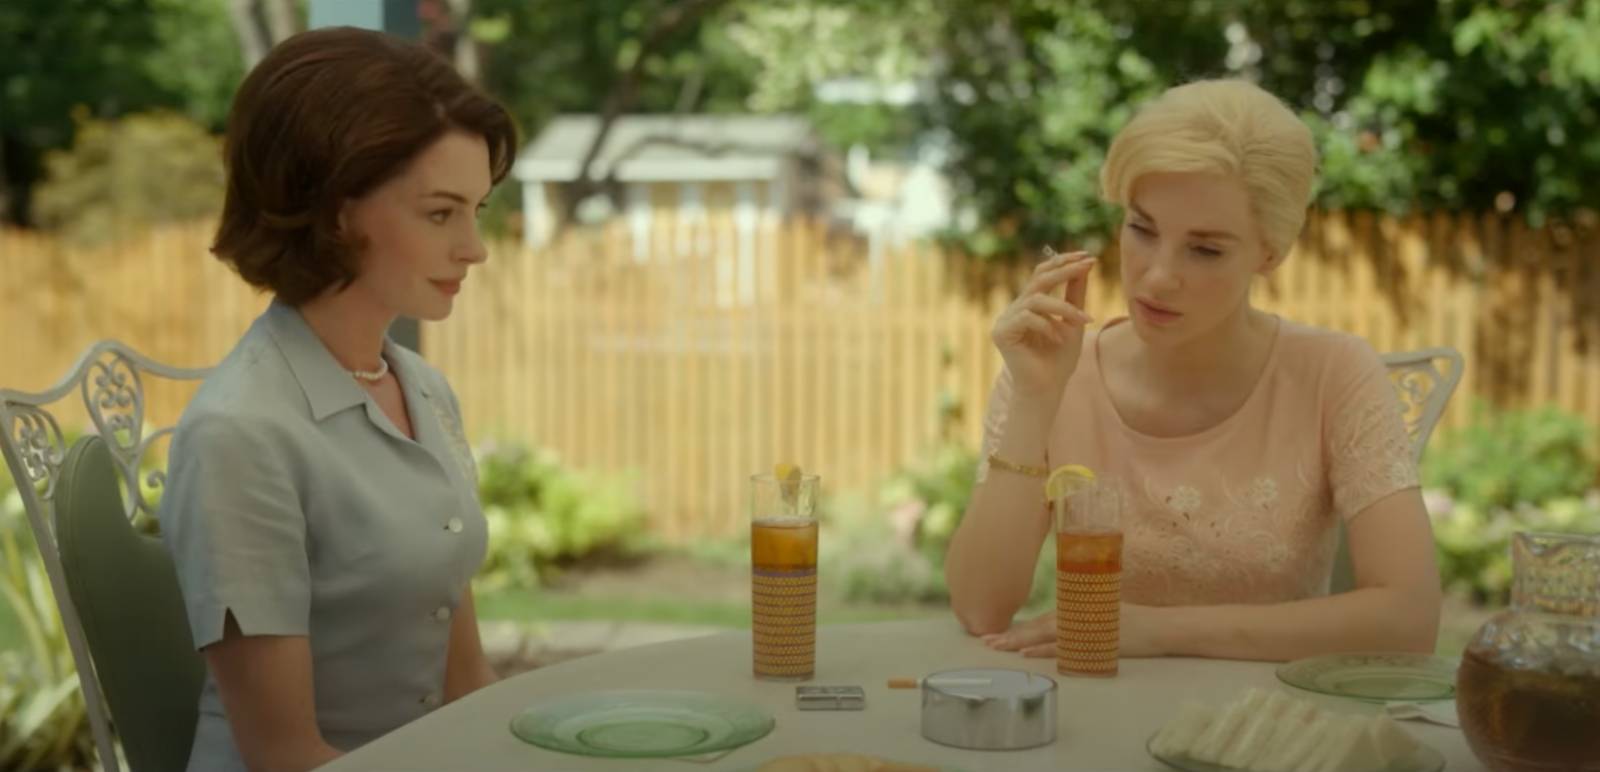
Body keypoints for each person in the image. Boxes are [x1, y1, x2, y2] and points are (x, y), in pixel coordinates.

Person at [943, 79, 1442, 663]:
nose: (1157, 277)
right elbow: (980, 609)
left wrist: (1159, 632)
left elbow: (1409, 619)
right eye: (1141, 229)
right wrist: (1035, 400)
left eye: (1205, 250)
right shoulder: (1052, 370)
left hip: (1267, 713)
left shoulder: (1335, 373)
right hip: (1094, 704)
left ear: (1270, 252)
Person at [159, 26, 517, 771]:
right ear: (336, 211)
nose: (475, 248)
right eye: (441, 213)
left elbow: (467, 688)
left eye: (477, 210)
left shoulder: (424, 391)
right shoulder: (240, 433)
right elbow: (284, 754)